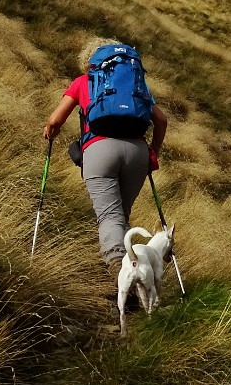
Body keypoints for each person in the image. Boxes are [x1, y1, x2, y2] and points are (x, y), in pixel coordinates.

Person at [42, 38, 168, 276]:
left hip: (100, 150)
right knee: (121, 216)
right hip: (137, 153)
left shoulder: (83, 82)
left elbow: (55, 120)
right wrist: (154, 151)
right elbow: (161, 121)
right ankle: (135, 275)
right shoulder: (136, 86)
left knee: (110, 216)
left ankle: (116, 272)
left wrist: (50, 131)